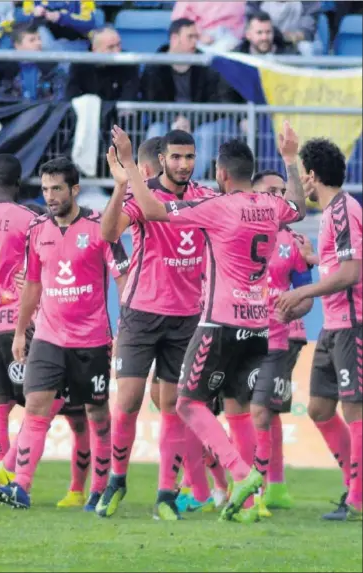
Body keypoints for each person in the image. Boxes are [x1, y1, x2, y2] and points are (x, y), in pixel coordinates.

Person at [110, 121, 306, 523]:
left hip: (218, 322)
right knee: (238, 407)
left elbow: (152, 210)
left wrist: (129, 164)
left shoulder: (215, 205)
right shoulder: (271, 206)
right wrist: (290, 160)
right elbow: (299, 207)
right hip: (258, 325)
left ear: (218, 173)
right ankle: (249, 503)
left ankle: (240, 475)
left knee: (186, 403)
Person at [0, 157, 129, 511]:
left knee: (96, 414)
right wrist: (21, 332)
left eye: (57, 189)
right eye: (46, 189)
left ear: (75, 190)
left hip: (92, 339)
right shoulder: (37, 230)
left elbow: (123, 279)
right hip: (48, 337)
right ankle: (20, 486)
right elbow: (32, 285)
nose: (50, 196)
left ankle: (98, 489)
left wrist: (128, 325)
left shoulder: (101, 227)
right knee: (36, 409)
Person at [96, 129, 217, 520]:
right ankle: (116, 481)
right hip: (141, 313)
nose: (183, 164)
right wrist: (119, 186)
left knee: (174, 405)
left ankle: (166, 494)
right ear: (162, 159)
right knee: (128, 401)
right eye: (176, 157)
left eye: (189, 156)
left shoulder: (206, 197)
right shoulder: (142, 193)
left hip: (187, 318)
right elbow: (109, 233)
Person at [277, 138, 362, 522]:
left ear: (311, 176)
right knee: (319, 408)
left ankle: (358, 500)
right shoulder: (331, 213)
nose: (302, 186)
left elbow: (352, 272)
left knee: (355, 410)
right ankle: (356, 486)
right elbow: (338, 265)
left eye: (301, 177)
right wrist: (316, 261)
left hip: (353, 324)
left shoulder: (345, 210)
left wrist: (304, 289)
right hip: (332, 325)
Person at [249, 169, 314, 510]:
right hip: (241, 332)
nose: (277, 197)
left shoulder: (294, 240)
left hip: (284, 336)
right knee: (254, 412)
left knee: (263, 411)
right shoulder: (237, 232)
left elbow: (307, 293)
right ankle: (270, 486)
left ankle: (266, 487)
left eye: (281, 190)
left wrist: (291, 311)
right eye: (269, 191)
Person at [0, 154, 37, 497]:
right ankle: (7, 477)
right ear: (19, 183)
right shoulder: (30, 220)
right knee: (45, 403)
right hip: (16, 323)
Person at [141, 18, 229, 180]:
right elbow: (151, 104)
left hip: (200, 121)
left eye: (197, 37)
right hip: (167, 121)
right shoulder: (155, 66)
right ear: (174, 38)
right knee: (155, 131)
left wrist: (191, 122)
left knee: (206, 134)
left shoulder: (206, 64)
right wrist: (175, 121)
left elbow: (216, 101)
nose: (195, 42)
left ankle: (189, 184)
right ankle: (158, 183)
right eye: (190, 37)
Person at [65, 26, 140, 102]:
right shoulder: (79, 64)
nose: (117, 51)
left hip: (118, 111)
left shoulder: (128, 61)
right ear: (95, 49)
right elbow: (71, 96)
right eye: (111, 47)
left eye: (118, 44)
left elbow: (129, 97)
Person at [246, 1, 322, 56]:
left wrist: (297, 35)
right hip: (265, 37)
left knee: (306, 47)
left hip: (294, 41)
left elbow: (308, 28)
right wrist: (273, 35)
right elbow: (253, 19)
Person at [171, 1, 246, 52]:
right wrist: (199, 36)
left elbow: (244, 20)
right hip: (199, 37)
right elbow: (179, 21)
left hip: (233, 38)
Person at [234, 11, 300, 55]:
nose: (264, 37)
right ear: (248, 35)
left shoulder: (290, 54)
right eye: (259, 33)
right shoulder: (236, 57)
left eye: (268, 32)